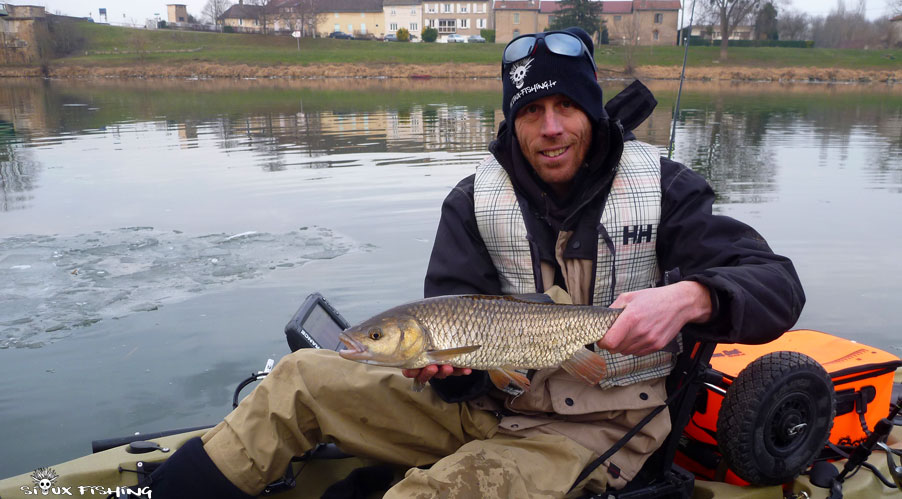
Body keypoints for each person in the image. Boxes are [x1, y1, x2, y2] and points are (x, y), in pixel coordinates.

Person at [146, 27, 804, 498]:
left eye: (566, 106)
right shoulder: (473, 200)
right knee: (300, 377)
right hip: (493, 403)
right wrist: (449, 376)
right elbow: (454, 367)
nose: (550, 128)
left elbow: (777, 284)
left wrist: (689, 298)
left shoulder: (667, 188)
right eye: (532, 111)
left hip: (599, 423)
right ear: (513, 121)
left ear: (592, 111)